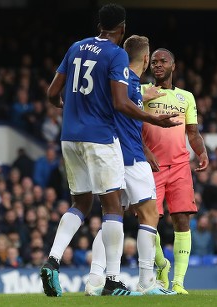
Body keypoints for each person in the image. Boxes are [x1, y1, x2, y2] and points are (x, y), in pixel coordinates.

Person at [40, 4, 179, 298]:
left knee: (80, 203)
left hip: (69, 137)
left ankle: (52, 261)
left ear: (99, 23)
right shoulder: (116, 54)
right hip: (100, 138)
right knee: (113, 207)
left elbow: (53, 93)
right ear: (123, 27)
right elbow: (120, 103)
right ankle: (113, 280)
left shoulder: (76, 47)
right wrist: (154, 118)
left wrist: (69, 110)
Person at [84, 35, 176, 296]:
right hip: (132, 160)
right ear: (146, 59)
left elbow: (124, 120)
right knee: (150, 215)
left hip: (112, 159)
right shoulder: (131, 85)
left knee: (111, 219)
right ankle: (147, 280)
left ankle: (94, 280)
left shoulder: (115, 84)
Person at [142, 48, 209, 294]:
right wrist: (144, 150)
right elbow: (130, 125)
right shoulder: (141, 92)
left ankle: (179, 282)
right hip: (152, 167)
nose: (158, 65)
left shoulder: (186, 97)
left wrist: (201, 152)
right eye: (155, 62)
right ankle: (162, 264)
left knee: (182, 220)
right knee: (148, 222)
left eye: (163, 61)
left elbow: (192, 132)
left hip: (180, 166)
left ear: (173, 66)